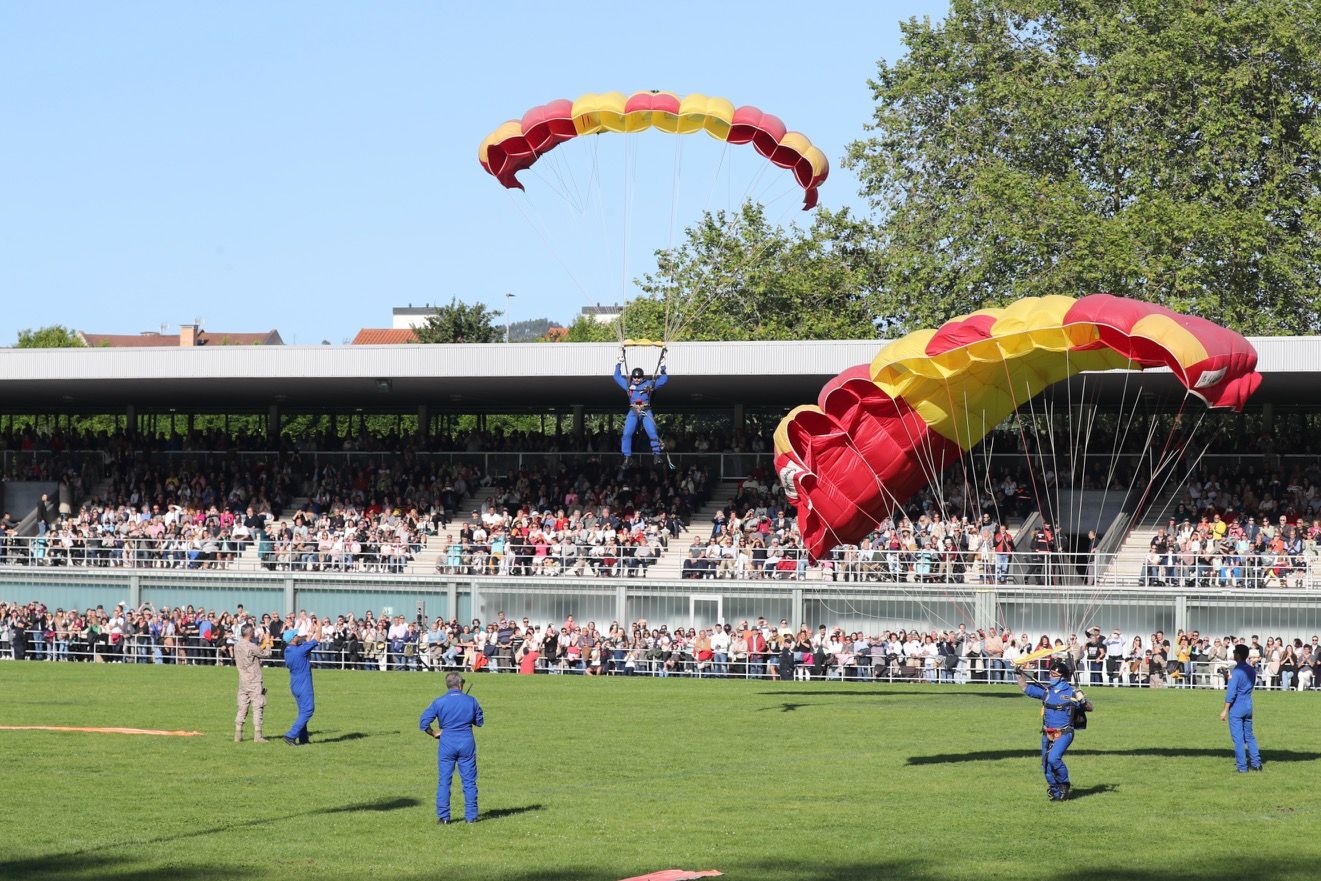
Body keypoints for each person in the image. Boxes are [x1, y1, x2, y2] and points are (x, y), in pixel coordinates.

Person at [1017, 660, 1092, 801]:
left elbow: (1090, 708)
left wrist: (1082, 701)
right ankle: (1056, 792)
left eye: (1054, 674)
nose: (1050, 676)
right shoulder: (1047, 692)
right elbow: (1025, 688)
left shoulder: (1072, 693)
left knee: (1053, 758)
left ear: (1062, 677)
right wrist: (1017, 674)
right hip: (1048, 733)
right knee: (1045, 765)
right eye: (1050, 674)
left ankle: (1064, 783)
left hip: (1064, 732)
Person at [419, 672, 485, 824]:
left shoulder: (439, 701)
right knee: (469, 782)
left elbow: (423, 723)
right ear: (461, 685)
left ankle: (444, 817)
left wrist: (435, 733)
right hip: (466, 741)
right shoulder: (471, 700)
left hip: (447, 741)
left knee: (444, 781)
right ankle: (471, 817)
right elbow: (480, 722)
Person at [613, 352, 669, 463]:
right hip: (633, 411)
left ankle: (657, 455)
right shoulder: (628, 385)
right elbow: (617, 377)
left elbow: (664, 380)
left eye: (639, 377)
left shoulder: (648, 384)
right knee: (627, 433)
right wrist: (619, 363)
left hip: (646, 410)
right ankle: (627, 457)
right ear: (632, 377)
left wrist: (663, 367)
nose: (637, 379)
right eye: (635, 377)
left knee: (652, 432)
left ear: (642, 377)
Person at [1219, 643, 1263, 773]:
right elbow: (1242, 683)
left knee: (1238, 739)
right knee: (1249, 736)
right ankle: (1256, 764)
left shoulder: (1237, 671)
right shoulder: (1250, 670)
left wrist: (1225, 710)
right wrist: (1227, 677)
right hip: (1248, 705)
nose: (1233, 654)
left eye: (1234, 652)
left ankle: (1242, 767)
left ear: (1238, 655)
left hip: (1237, 708)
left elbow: (1231, 693)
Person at [282, 629, 319, 746]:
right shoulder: (300, 650)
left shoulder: (288, 651)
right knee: (308, 710)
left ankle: (303, 738)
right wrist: (318, 624)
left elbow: (306, 644)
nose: (298, 636)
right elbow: (317, 638)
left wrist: (308, 635)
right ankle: (290, 735)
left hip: (294, 683)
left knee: (303, 711)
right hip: (304, 683)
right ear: (293, 638)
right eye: (296, 635)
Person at [234, 624, 268, 743]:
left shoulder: (237, 646)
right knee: (258, 706)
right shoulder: (251, 646)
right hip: (254, 680)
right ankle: (258, 735)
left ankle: (238, 734)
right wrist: (267, 641)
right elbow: (266, 653)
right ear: (250, 633)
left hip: (243, 681)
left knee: (242, 707)